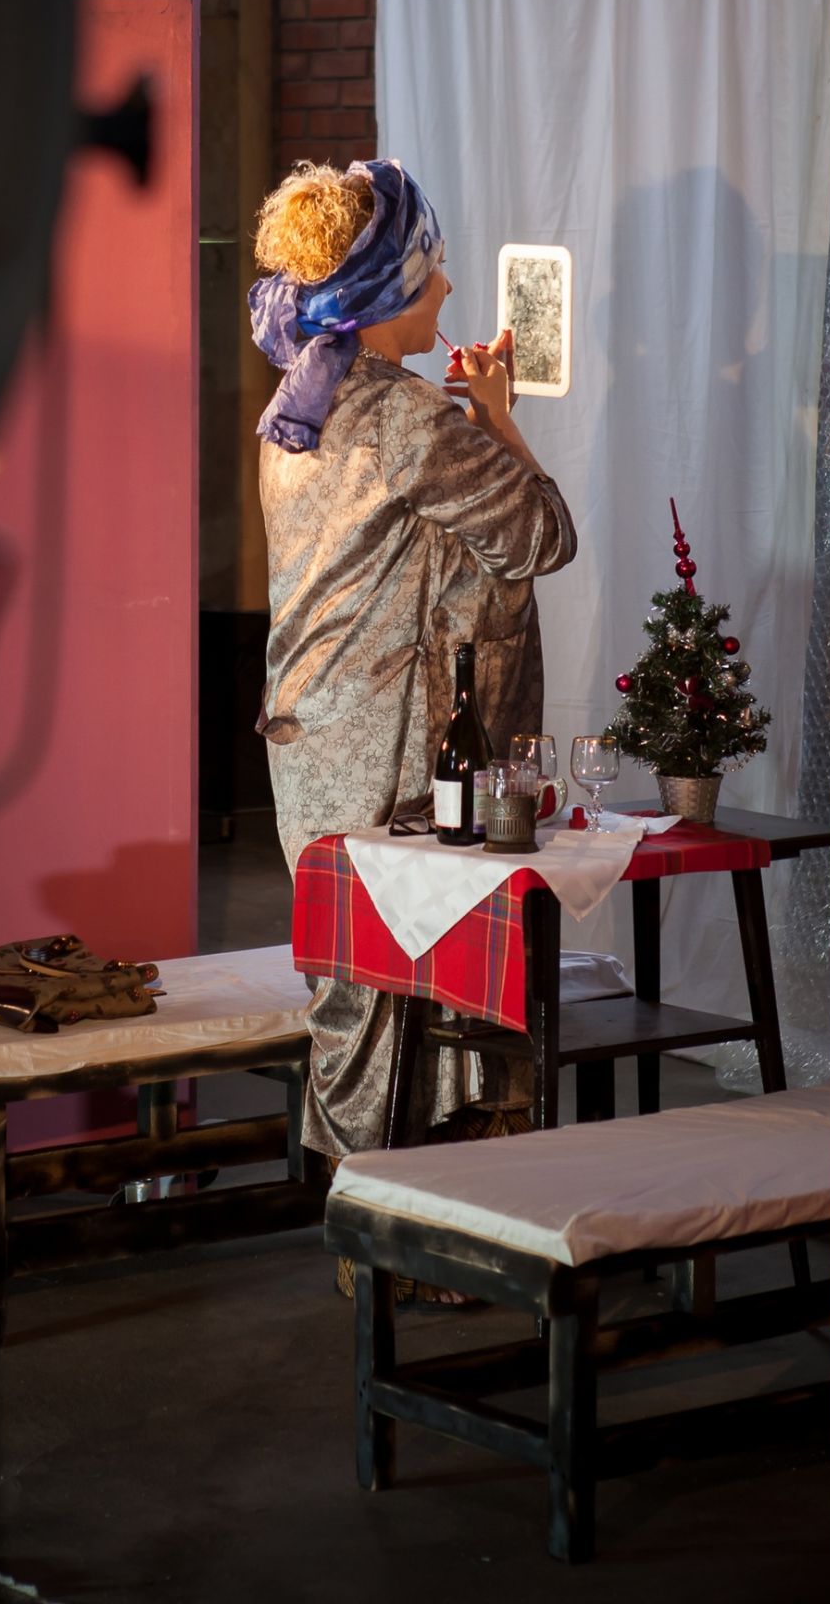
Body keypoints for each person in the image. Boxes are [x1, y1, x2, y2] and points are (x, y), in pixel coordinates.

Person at [249, 157, 577, 1160]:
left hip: (312, 735)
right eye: (430, 270)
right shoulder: (400, 416)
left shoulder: (303, 402)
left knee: (357, 996)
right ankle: (387, 1214)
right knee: (397, 997)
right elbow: (541, 535)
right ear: (387, 287)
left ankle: (370, 1205)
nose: (447, 286)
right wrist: (498, 416)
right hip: (385, 742)